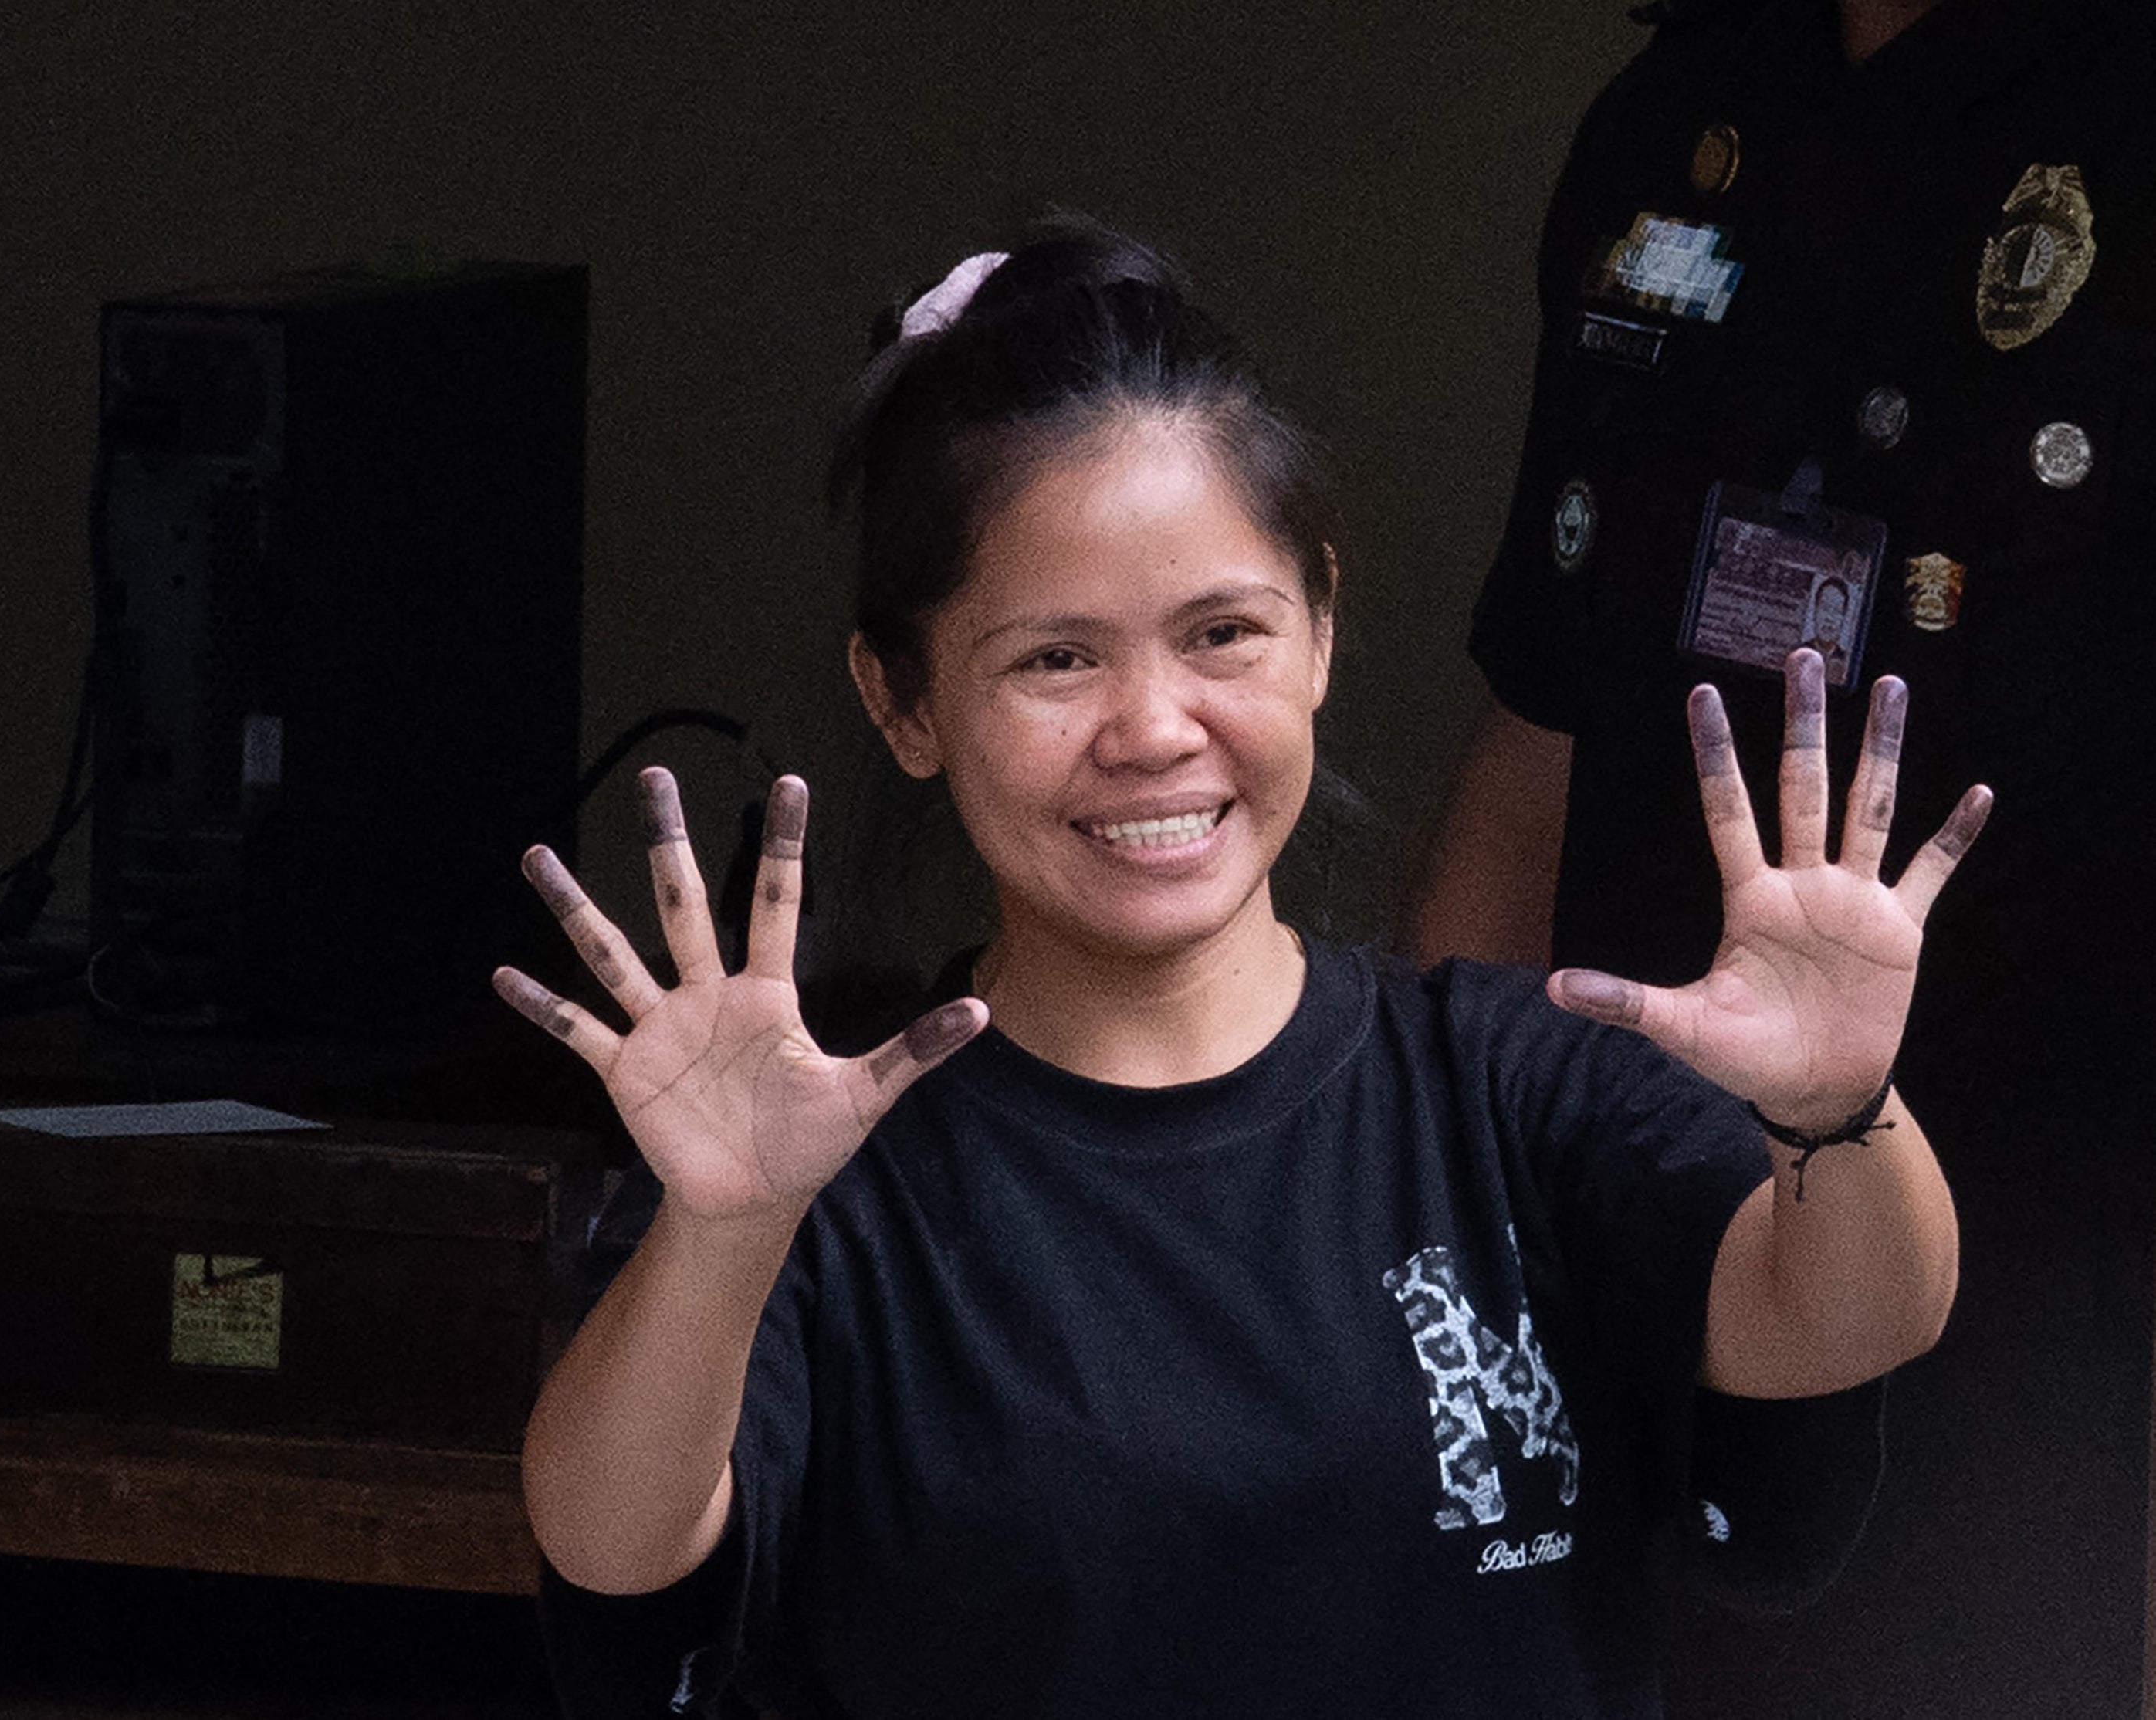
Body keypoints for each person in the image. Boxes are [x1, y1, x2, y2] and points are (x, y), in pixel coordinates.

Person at [498, 226, 1987, 1718]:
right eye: (1055, 661)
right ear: (902, 699)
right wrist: (723, 1234)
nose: (1154, 727)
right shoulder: (812, 1158)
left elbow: (1844, 1317)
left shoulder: (1509, 1079)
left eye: (1222, 634)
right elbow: (618, 1554)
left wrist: (1839, 1107)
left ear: (1321, 629)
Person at [1413, 0, 2156, 1709]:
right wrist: (1394, 1264)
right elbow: (1539, 741)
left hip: (2057, 1348)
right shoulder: (1679, 124)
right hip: (1649, 1283)